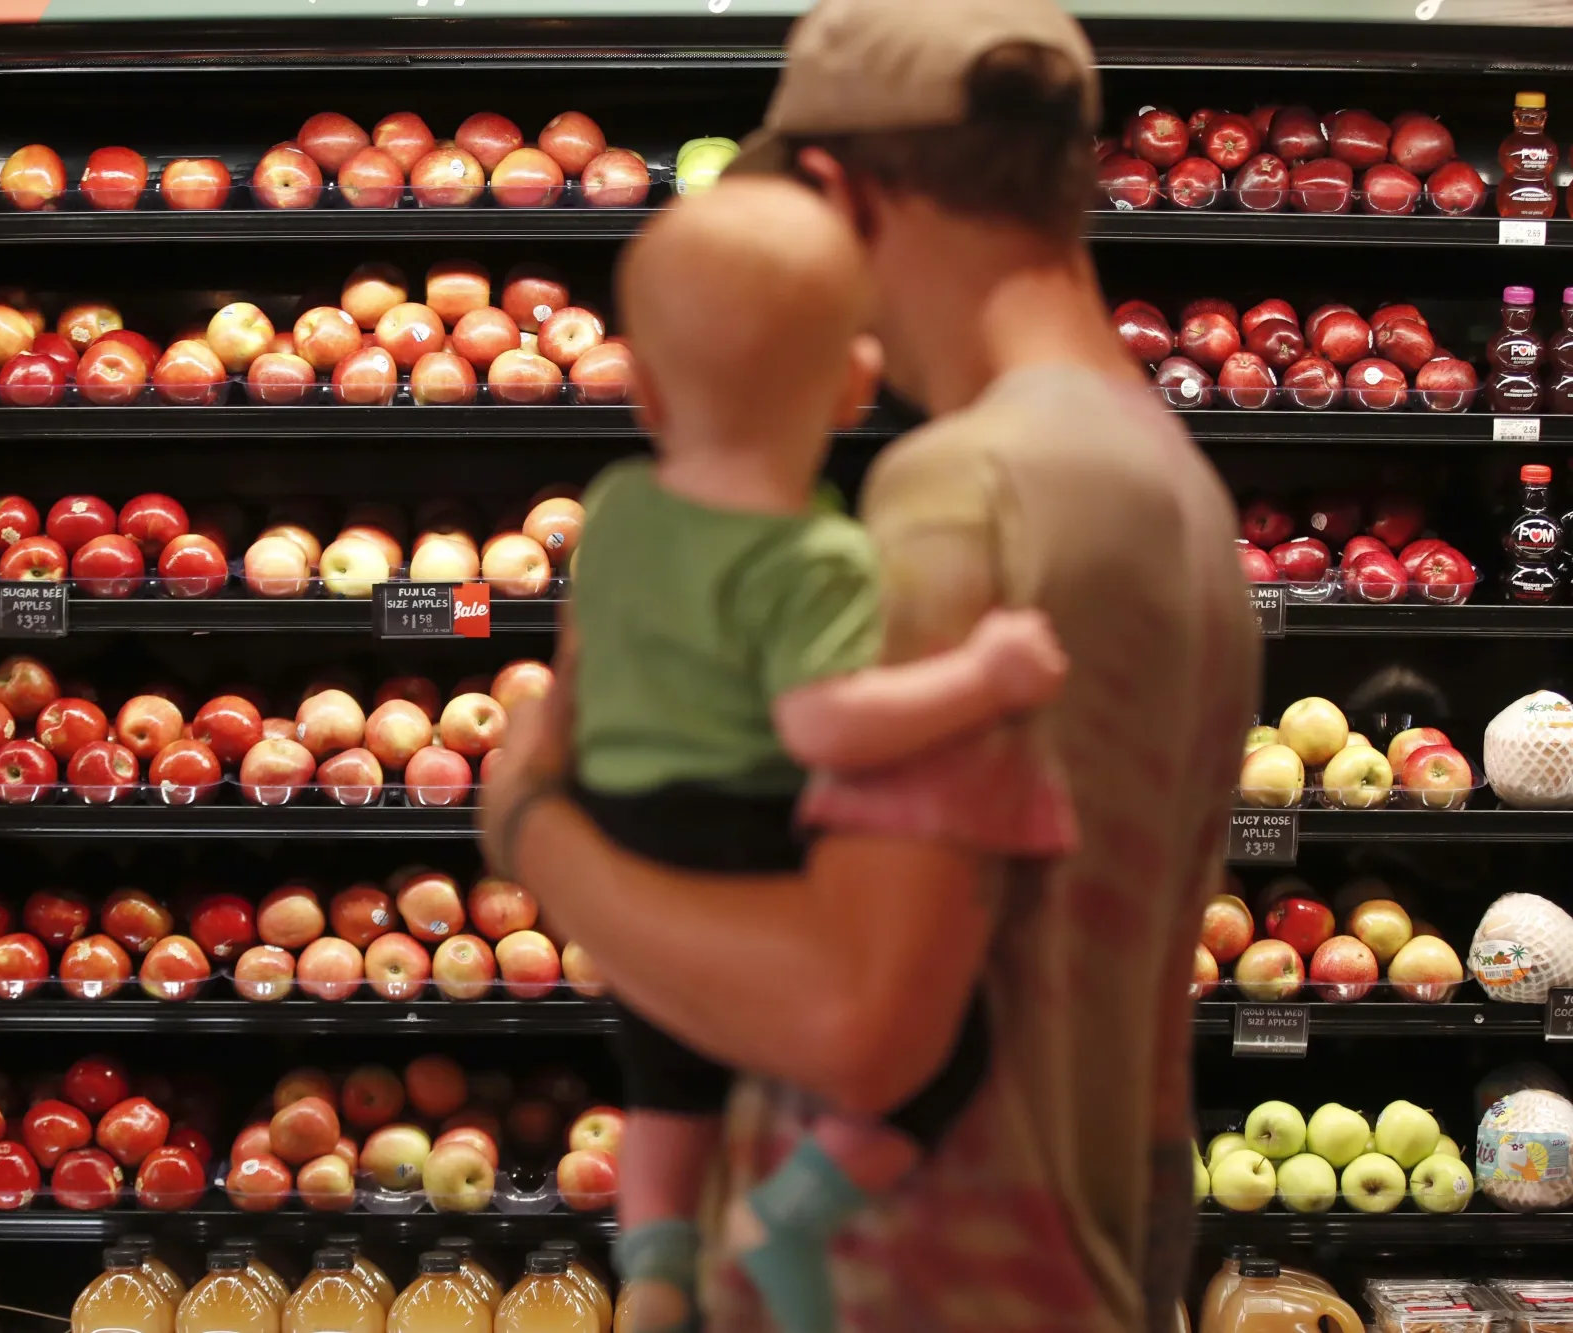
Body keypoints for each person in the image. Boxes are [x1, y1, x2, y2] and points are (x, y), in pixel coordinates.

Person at [476, 0, 1262, 1328]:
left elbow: (861, 1019)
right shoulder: (1170, 482)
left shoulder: (965, 489)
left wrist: (534, 826)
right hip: (1078, 1259)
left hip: (912, 1276)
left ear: (837, 192)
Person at [569, 177, 1074, 1333]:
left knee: (666, 1073)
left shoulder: (611, 505)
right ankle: (796, 1208)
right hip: (741, 829)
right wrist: (981, 677)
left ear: (639, 385)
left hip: (622, 826)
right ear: (855, 381)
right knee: (943, 1048)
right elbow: (823, 725)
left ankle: (652, 1270)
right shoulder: (817, 555)